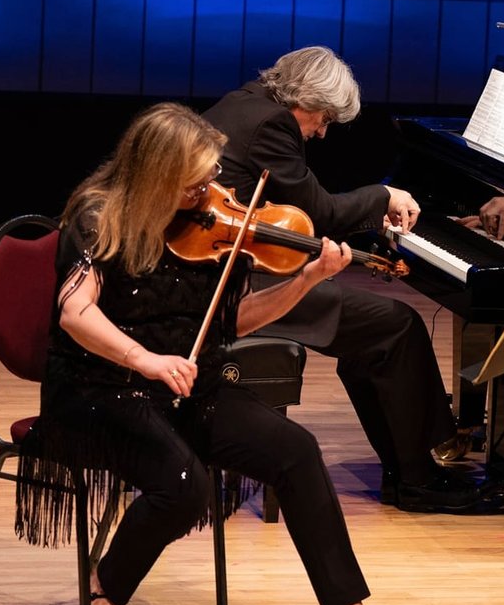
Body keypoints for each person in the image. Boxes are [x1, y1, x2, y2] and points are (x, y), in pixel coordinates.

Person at [17, 102, 419, 605]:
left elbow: (234, 323)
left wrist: (307, 279)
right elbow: (74, 313)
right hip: (98, 388)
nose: (210, 190)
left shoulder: (210, 228)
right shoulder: (99, 216)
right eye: (195, 180)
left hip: (184, 385)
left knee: (296, 450)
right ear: (154, 172)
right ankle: (105, 587)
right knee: (184, 485)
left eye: (211, 175)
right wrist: (146, 360)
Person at [203, 46, 484, 513]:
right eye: (325, 119)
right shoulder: (273, 126)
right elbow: (319, 213)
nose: (321, 132)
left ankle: (407, 472)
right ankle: (417, 478)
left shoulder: (243, 102)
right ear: (309, 101)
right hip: (232, 288)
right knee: (395, 324)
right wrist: (384, 195)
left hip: (232, 270)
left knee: (376, 330)